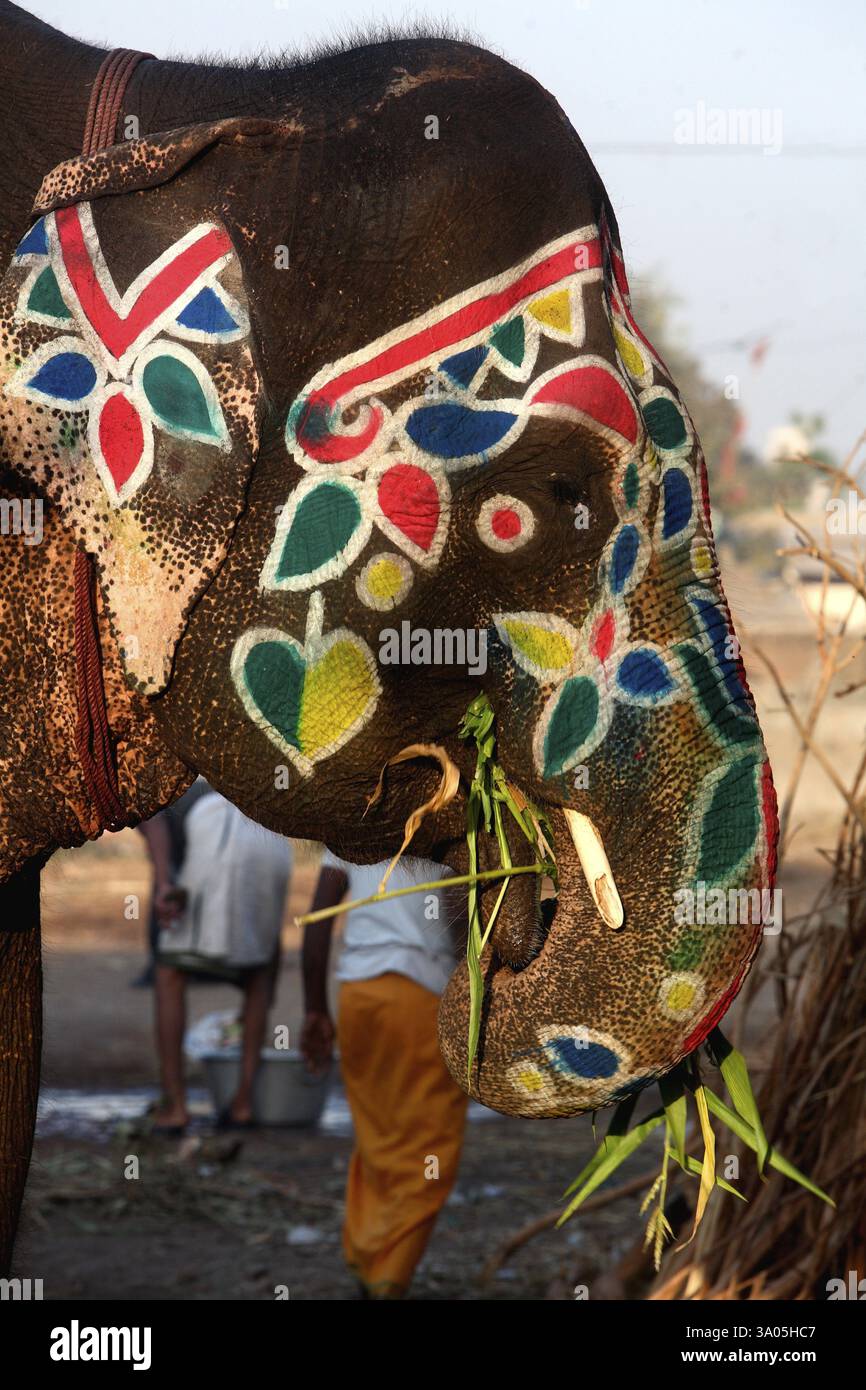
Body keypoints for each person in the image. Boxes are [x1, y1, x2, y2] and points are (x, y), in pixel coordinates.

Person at [301, 851, 468, 1299]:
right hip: (423, 998)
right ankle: (388, 1277)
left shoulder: (350, 815)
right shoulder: (447, 812)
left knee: (378, 1137)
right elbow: (458, 912)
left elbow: (316, 921)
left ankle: (366, 1253)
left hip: (360, 996)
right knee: (429, 1146)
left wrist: (315, 1008)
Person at [141, 787, 292, 1134]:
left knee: (169, 970)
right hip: (274, 838)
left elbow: (154, 822)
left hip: (221, 830)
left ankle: (175, 1106)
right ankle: (243, 1104)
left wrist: (164, 883)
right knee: (259, 973)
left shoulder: (153, 779)